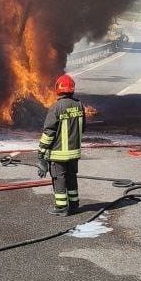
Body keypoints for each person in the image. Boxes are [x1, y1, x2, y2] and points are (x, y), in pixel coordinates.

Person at [37, 74, 85, 215]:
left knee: (59, 179)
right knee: (71, 178)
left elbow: (49, 133)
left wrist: (41, 153)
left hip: (59, 154)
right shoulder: (79, 105)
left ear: (58, 89)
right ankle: (74, 204)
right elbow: (83, 128)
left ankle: (61, 207)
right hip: (74, 152)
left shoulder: (56, 107)